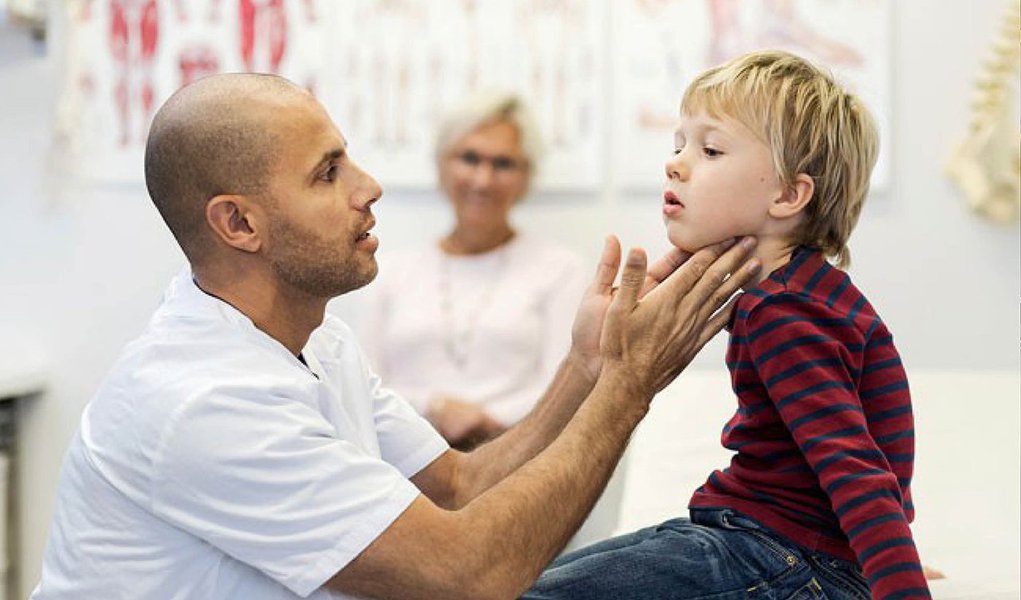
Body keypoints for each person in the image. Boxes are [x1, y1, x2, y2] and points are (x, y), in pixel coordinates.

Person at [30, 73, 761, 599]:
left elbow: (456, 486)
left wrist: (588, 365)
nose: (369, 185)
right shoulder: (202, 398)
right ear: (240, 224)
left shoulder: (317, 341)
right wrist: (627, 387)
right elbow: (466, 574)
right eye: (327, 173)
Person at [524, 50, 931, 600]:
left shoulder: (783, 314)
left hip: (782, 551)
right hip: (769, 539)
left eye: (710, 149)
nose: (676, 163)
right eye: (678, 145)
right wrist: (871, 556)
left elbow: (854, 466)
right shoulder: (804, 292)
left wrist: (894, 582)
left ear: (787, 195)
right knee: (520, 579)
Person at [361, 90, 585, 451]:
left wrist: (483, 421)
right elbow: (363, 386)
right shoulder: (390, 271)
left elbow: (563, 386)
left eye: (503, 164)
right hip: (403, 470)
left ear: (526, 175)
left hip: (513, 461)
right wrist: (436, 408)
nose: (483, 180)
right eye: (469, 158)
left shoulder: (560, 270)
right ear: (441, 164)